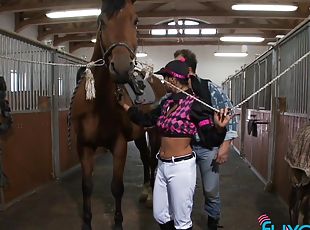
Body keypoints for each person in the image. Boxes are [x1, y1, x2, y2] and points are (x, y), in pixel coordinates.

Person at [118, 59, 231, 230]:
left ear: (174, 80)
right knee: (160, 215)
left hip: (181, 168)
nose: (163, 82)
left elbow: (210, 139)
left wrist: (219, 128)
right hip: (162, 166)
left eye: (165, 78)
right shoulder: (167, 103)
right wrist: (126, 107)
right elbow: (147, 120)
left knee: (182, 220)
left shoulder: (195, 105)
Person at [174, 49, 238, 230]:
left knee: (210, 190)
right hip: (183, 148)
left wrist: (225, 145)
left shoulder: (211, 88)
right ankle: (183, 222)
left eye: (177, 64)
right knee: (184, 191)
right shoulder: (175, 92)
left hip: (208, 148)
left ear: (190, 69)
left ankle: (213, 221)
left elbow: (230, 115)